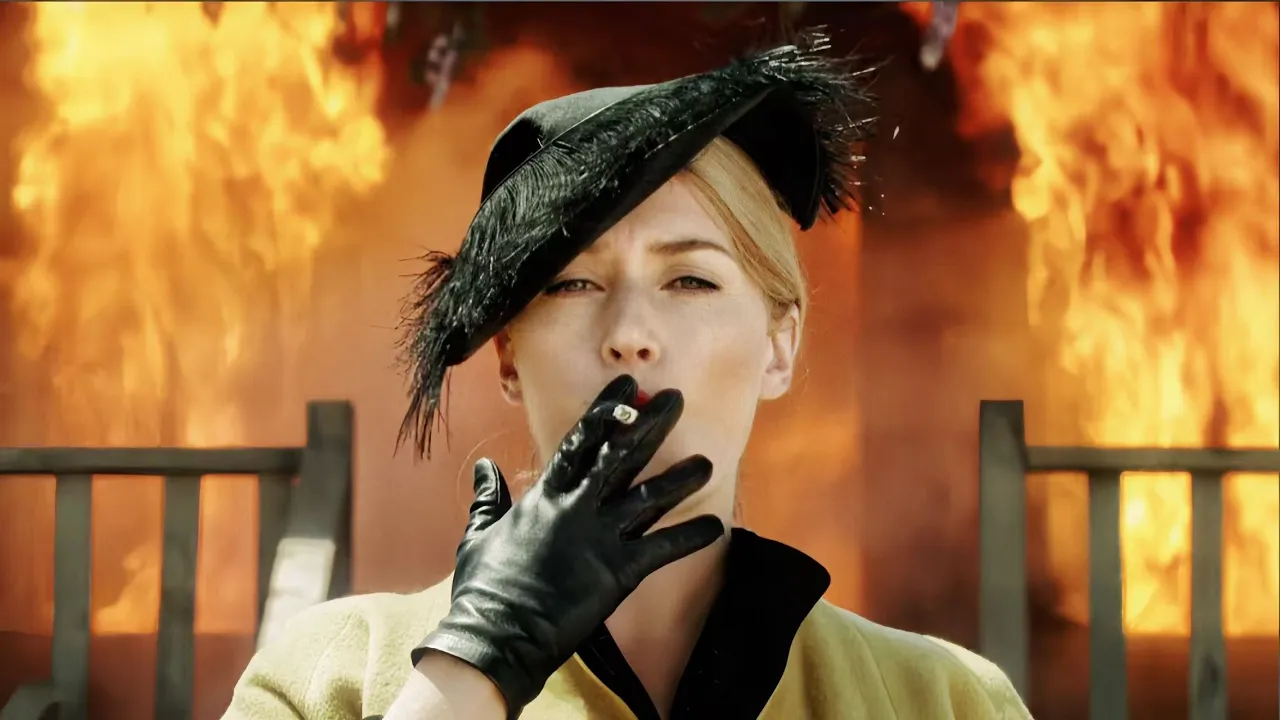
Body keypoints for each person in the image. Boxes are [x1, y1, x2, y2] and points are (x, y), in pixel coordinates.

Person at [222, 32, 1033, 720]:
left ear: (779, 346)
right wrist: (479, 658)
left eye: (691, 280)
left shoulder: (942, 699)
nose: (630, 337)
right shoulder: (333, 677)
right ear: (507, 356)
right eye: (573, 283)